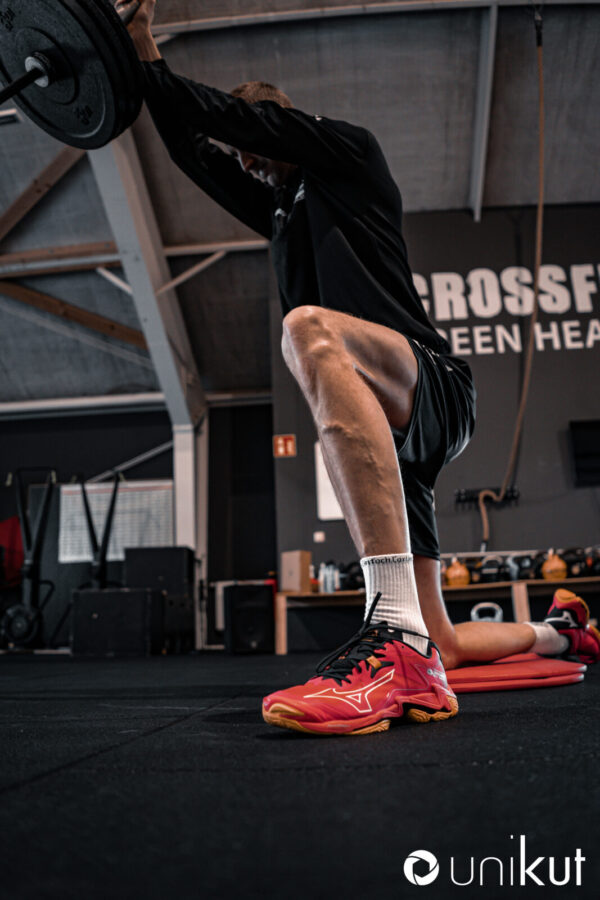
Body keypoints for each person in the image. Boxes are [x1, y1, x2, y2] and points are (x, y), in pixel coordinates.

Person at [122, 0, 600, 735]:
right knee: (444, 641)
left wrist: (155, 55)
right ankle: (563, 631)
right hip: (393, 436)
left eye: (253, 147)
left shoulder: (348, 154)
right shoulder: (280, 210)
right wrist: (139, 49)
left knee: (309, 330)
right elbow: (194, 153)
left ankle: (395, 645)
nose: (246, 164)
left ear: (279, 125)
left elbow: (227, 120)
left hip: (431, 386)